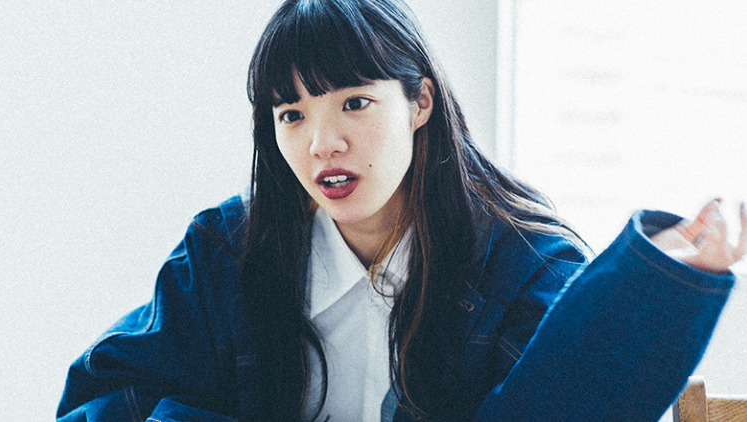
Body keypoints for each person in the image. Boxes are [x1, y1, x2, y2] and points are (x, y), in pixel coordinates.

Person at [57, 0, 747, 421]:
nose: (322, 142)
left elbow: (564, 407)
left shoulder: (522, 263)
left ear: (420, 103)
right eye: (291, 114)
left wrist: (650, 291)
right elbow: (104, 399)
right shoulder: (225, 254)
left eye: (354, 103)